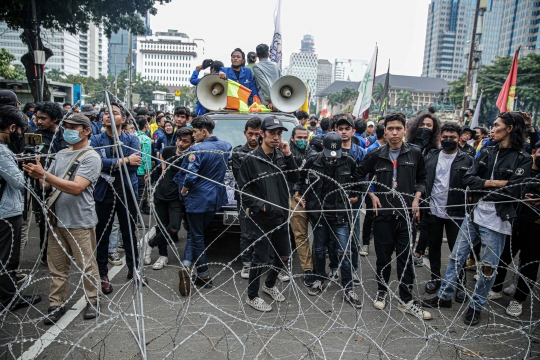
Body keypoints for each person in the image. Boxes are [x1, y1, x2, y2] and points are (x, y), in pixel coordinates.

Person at [422, 111, 532, 326]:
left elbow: (513, 191)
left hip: (498, 220)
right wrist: (495, 183)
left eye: (497, 124)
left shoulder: (522, 158)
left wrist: (486, 183)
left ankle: (476, 305)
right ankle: (444, 296)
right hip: (474, 213)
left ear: (509, 128)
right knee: (456, 257)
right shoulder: (488, 152)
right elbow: (468, 179)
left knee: (488, 268)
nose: (493, 128)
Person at [23, 113, 102, 323]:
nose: (68, 130)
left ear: (86, 131)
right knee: (57, 267)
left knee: (87, 264)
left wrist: (44, 175)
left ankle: (93, 299)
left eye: (73, 127)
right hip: (56, 219)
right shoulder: (59, 154)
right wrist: (37, 174)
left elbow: (77, 187)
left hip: (79, 220)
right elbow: (46, 185)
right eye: (66, 126)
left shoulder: (91, 157)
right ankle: (56, 304)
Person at [356, 112, 432, 320]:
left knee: (405, 258)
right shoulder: (376, 155)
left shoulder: (415, 153)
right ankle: (382, 290)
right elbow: (358, 175)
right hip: (383, 216)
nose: (395, 133)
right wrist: (370, 193)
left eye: (398, 128)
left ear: (405, 130)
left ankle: (406, 299)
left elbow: (423, 178)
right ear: (385, 131)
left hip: (406, 215)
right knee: (383, 257)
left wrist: (417, 197)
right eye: (390, 129)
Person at [237, 115, 298, 312]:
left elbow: (295, 178)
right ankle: (252, 296)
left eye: (279, 134)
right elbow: (243, 190)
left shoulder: (281, 156)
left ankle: (269, 285)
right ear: (262, 134)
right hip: (261, 218)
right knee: (260, 258)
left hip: (281, 214)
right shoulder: (251, 159)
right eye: (272, 133)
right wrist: (260, 206)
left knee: (284, 256)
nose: (276, 137)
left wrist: (288, 155)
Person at [297, 132, 363, 308]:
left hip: (339, 213)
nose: (332, 159)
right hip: (319, 213)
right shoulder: (313, 160)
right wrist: (299, 193)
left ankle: (348, 288)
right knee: (319, 249)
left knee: (344, 252)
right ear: (323, 148)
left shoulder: (348, 160)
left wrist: (355, 194)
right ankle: (319, 279)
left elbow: (358, 179)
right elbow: (300, 176)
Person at [90, 103, 146, 294]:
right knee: (102, 233)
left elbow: (134, 166)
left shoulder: (131, 139)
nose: (108, 116)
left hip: (126, 190)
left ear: (123, 119)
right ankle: (102, 273)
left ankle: (134, 269)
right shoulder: (96, 139)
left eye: (113, 113)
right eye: (105, 113)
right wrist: (123, 161)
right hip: (104, 192)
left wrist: (113, 164)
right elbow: (96, 163)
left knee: (129, 232)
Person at [176, 115, 232, 295]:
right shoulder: (225, 146)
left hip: (197, 200)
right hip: (215, 199)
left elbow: (190, 175)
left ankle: (204, 274)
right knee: (195, 233)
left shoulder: (196, 151)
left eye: (195, 132)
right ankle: (187, 266)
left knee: (197, 235)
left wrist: (184, 190)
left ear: (204, 131)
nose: (193, 135)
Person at [419, 123, 473, 303]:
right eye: (446, 137)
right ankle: (435, 278)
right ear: (440, 137)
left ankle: (460, 285)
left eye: (453, 137)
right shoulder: (432, 156)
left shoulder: (467, 160)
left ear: (460, 139)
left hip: (456, 212)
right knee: (433, 248)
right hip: (433, 209)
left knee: (457, 251)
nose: (449, 140)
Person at [489, 140, 540, 317]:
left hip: (536, 227)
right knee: (502, 257)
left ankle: (518, 300)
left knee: (529, 265)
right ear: (534, 151)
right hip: (514, 221)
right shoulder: (523, 170)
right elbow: (509, 190)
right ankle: (495, 288)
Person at [0, 105, 42, 311]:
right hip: (6, 212)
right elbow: (19, 183)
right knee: (8, 257)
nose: (20, 136)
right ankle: (8, 298)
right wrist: (31, 170)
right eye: (19, 131)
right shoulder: (1, 151)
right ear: (12, 127)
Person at [144, 127, 194, 270]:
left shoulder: (190, 157)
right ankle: (162, 256)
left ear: (191, 143)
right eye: (179, 140)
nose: (180, 143)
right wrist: (163, 168)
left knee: (173, 227)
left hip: (175, 197)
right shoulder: (168, 150)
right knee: (161, 225)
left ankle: (150, 243)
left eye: (185, 141)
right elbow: (162, 157)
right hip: (160, 194)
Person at [34, 102, 70, 266]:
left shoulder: (66, 136)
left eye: (43, 118)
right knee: (45, 223)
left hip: (64, 185)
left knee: (65, 221)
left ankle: (66, 252)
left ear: (55, 119)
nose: (39, 121)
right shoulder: (35, 137)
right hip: (42, 187)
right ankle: (46, 255)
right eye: (37, 118)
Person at [335, 116, 366, 284]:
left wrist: (356, 194)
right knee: (335, 237)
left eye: (347, 129)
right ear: (335, 131)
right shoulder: (332, 150)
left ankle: (352, 270)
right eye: (341, 129)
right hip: (334, 201)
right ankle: (335, 268)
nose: (344, 131)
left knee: (353, 237)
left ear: (353, 131)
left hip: (354, 201)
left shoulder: (360, 152)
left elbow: (362, 178)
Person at [231, 117, 262, 279]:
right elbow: (240, 176)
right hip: (245, 198)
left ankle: (260, 261)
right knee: (246, 232)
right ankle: (247, 264)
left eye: (257, 134)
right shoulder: (238, 152)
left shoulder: (266, 151)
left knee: (263, 230)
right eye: (250, 134)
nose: (253, 138)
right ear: (245, 133)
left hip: (264, 198)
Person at [289, 126, 316, 287]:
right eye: (299, 137)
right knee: (300, 235)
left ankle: (317, 265)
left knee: (318, 234)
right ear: (293, 138)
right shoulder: (286, 155)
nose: (302, 141)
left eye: (305, 138)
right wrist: (296, 195)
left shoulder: (313, 154)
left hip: (312, 198)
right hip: (294, 198)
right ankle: (308, 269)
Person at [361, 124, 387, 257]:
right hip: (372, 189)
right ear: (384, 134)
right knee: (370, 216)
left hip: (385, 189)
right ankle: (365, 244)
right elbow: (364, 173)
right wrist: (369, 192)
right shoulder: (372, 150)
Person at [252, 44, 281, 109]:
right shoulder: (275, 66)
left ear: (256, 55)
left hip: (267, 102)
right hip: (278, 99)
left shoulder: (256, 66)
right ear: (268, 54)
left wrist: (270, 101)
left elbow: (264, 84)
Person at [135, 116, 153, 216]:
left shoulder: (132, 137)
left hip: (133, 170)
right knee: (140, 195)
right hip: (141, 171)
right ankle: (137, 219)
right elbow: (146, 157)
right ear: (146, 125)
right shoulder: (145, 139)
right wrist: (148, 171)